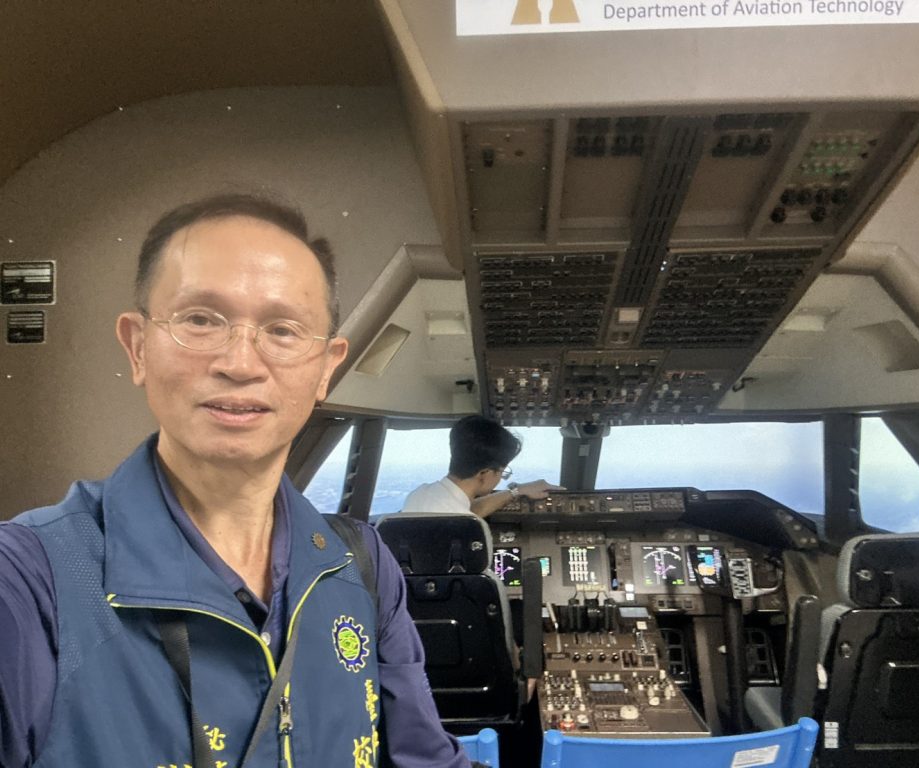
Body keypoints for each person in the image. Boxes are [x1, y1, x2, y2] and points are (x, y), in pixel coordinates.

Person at [0, 194, 473, 768]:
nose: (241, 364)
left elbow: (425, 759)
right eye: (201, 320)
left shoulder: (362, 564)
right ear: (138, 346)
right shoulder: (28, 581)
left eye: (283, 330)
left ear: (326, 368)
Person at [402, 415, 562, 518]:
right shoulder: (466, 527)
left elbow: (469, 510)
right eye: (502, 471)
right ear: (484, 473)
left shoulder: (419, 494)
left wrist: (517, 491)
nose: (501, 477)